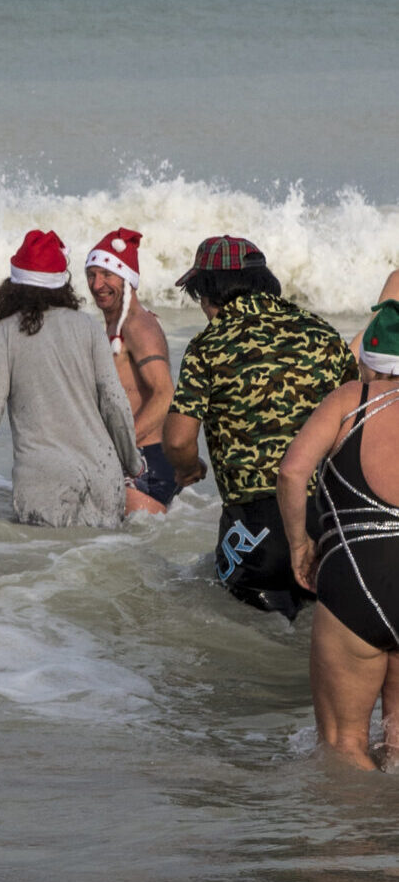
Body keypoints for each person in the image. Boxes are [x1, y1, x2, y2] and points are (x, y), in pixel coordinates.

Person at [164, 235, 355, 617]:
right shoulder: (324, 335)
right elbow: (355, 425)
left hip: (256, 532)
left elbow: (179, 438)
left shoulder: (208, 344)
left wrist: (188, 468)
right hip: (329, 526)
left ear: (211, 290)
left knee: (244, 651)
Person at [0, 230, 142, 527]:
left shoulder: (5, 333)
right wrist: (132, 462)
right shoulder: (88, 327)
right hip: (104, 477)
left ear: (13, 285)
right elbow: (114, 402)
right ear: (62, 284)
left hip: (45, 484)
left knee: (45, 568)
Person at [278, 300, 399, 769]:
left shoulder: (352, 398)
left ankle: (351, 839)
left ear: (368, 360)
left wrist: (299, 545)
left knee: (344, 745)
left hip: (357, 576)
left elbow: (291, 472)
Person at [84, 228, 176, 514]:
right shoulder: (117, 326)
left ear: (126, 278)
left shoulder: (138, 326)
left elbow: (165, 394)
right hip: (139, 460)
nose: (97, 284)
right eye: (91, 275)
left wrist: (122, 449)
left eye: (107, 275)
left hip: (144, 463)